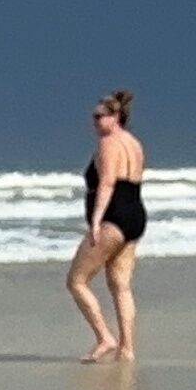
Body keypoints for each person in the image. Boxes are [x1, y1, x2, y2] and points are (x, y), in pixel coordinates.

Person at [67, 91, 147, 362]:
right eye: (94, 117)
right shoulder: (135, 144)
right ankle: (127, 349)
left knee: (76, 281)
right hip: (135, 215)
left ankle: (104, 337)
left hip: (115, 216)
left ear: (116, 117)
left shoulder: (108, 143)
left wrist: (97, 222)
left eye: (100, 116)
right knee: (120, 285)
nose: (95, 122)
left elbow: (108, 183)